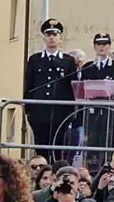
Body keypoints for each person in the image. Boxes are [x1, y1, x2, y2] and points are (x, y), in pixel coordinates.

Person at [22, 19, 77, 157]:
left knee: (57, 145)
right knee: (41, 146)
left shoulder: (68, 61)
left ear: (60, 38)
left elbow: (72, 86)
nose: (52, 38)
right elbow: (29, 84)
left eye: (55, 35)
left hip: (60, 111)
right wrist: (28, 107)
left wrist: (72, 110)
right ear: (44, 38)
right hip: (39, 111)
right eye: (48, 35)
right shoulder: (35, 59)